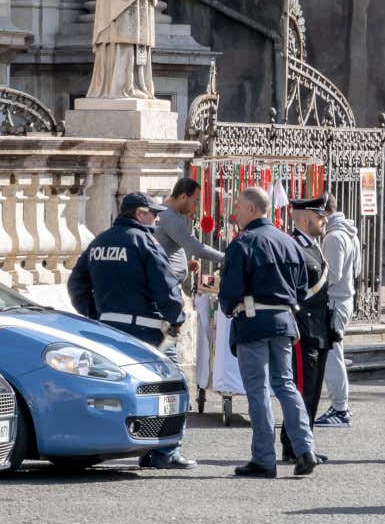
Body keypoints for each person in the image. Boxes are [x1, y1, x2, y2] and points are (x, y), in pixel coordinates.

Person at [68, 191, 196, 470]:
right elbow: (165, 285)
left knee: (124, 388)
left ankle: (135, 443)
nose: (157, 218)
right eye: (154, 213)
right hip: (148, 332)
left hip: (108, 329)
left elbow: (76, 284)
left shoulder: (99, 242)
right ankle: (165, 451)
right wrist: (176, 318)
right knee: (172, 389)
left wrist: (94, 313)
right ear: (139, 214)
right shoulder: (144, 241)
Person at [219, 186, 318, 478]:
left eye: (237, 206)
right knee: (286, 385)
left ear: (252, 209)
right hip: (284, 321)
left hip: (252, 322)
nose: (233, 212)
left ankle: (264, 458)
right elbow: (301, 288)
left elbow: (230, 291)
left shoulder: (243, 243)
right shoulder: (289, 243)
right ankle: (305, 449)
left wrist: (228, 307)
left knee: (258, 390)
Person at [278, 195, 333, 463]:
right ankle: (294, 445)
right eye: (321, 215)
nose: (325, 220)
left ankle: (305, 442)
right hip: (303, 329)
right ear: (305, 217)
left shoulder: (313, 246)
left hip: (320, 329)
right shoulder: (293, 246)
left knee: (313, 390)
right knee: (301, 390)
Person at [316, 193, 362, 428]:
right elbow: (355, 270)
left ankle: (341, 408)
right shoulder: (347, 231)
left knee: (333, 357)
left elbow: (331, 275)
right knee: (335, 355)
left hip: (335, 302)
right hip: (343, 299)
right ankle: (340, 407)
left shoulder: (334, 236)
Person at [154, 177, 225, 285]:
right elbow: (197, 248)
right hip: (165, 286)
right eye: (195, 201)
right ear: (183, 197)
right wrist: (225, 258)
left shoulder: (164, 211)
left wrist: (185, 264)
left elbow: (163, 251)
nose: (196, 207)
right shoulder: (170, 217)